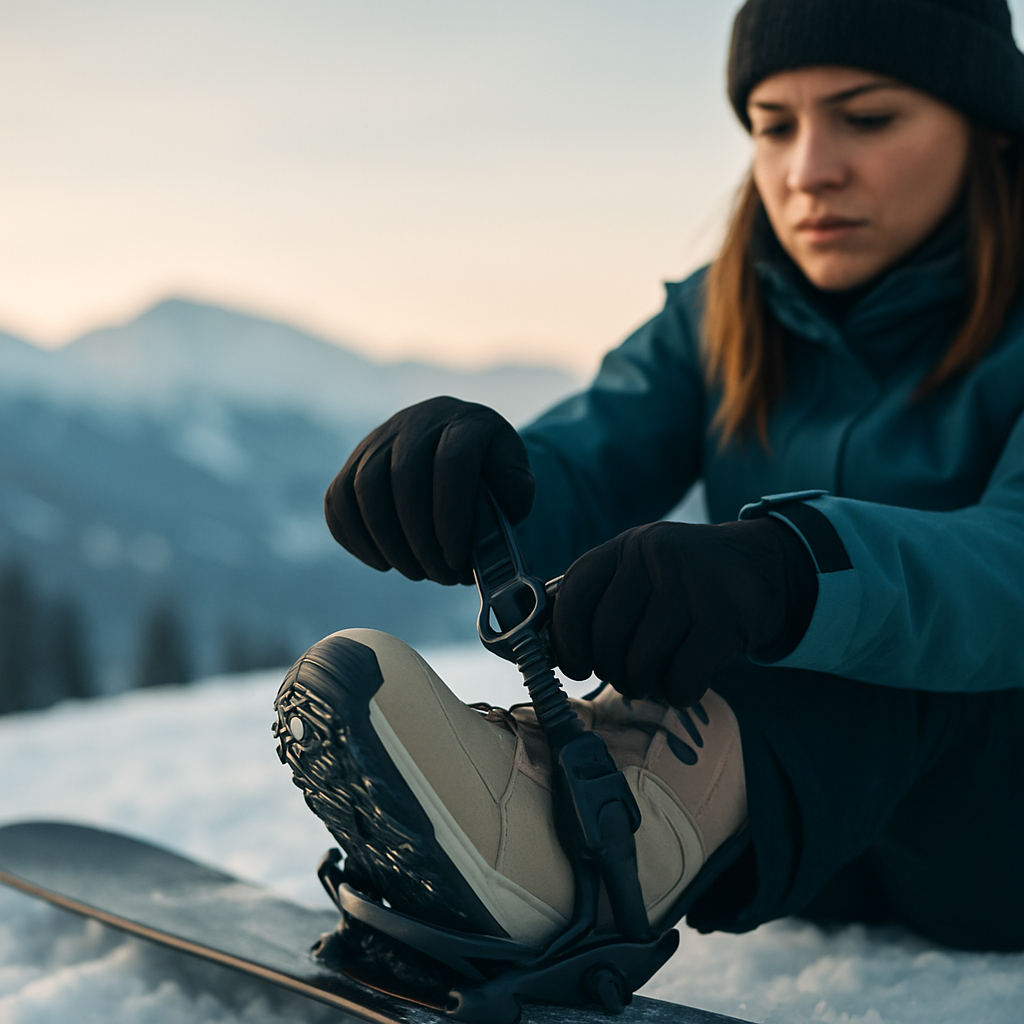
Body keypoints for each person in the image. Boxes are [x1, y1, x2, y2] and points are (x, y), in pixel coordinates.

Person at [274, 0, 1024, 957]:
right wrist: (481, 479)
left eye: (867, 118)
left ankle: (578, 859)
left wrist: (788, 572)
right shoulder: (727, 308)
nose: (809, 170)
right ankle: (573, 807)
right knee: (785, 602)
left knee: (861, 612)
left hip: (996, 833)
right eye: (773, 126)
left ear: (991, 128)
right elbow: (597, 450)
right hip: (815, 834)